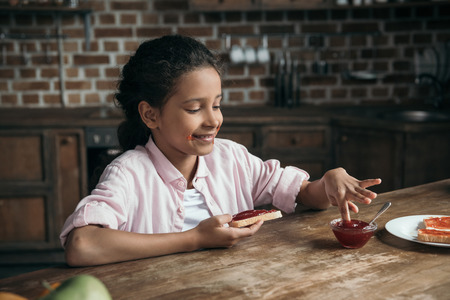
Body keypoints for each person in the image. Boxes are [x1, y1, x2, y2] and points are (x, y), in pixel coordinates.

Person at [61, 35, 381, 267]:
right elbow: (82, 246)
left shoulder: (232, 158)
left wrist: (329, 181)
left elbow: (305, 195)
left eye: (216, 104)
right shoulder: (129, 173)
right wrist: (196, 239)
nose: (213, 119)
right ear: (150, 115)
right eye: (194, 108)